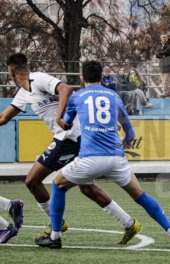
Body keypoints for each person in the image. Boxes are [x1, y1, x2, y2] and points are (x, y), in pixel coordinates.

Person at [35, 60, 170, 249]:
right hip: (116, 159)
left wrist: (64, 121)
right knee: (141, 196)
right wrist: (123, 142)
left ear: (82, 78)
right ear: (101, 77)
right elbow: (130, 134)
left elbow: (66, 124)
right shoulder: (114, 97)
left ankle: (55, 237)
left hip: (89, 158)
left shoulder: (77, 97)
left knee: (57, 184)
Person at [1, 53, 141, 244]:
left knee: (33, 181)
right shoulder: (23, 93)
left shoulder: (39, 79)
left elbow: (65, 89)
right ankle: (129, 223)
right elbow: (3, 118)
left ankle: (56, 225)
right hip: (75, 138)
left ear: (11, 71)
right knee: (87, 187)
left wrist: (60, 117)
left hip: (70, 137)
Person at [156, 33, 170, 98]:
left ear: (167, 38)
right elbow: (157, 55)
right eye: (162, 37)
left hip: (168, 65)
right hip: (161, 65)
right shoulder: (159, 45)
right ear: (160, 38)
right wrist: (162, 54)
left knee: (165, 81)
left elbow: (167, 51)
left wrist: (160, 53)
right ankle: (167, 92)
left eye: (165, 37)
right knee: (163, 80)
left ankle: (164, 93)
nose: (163, 38)